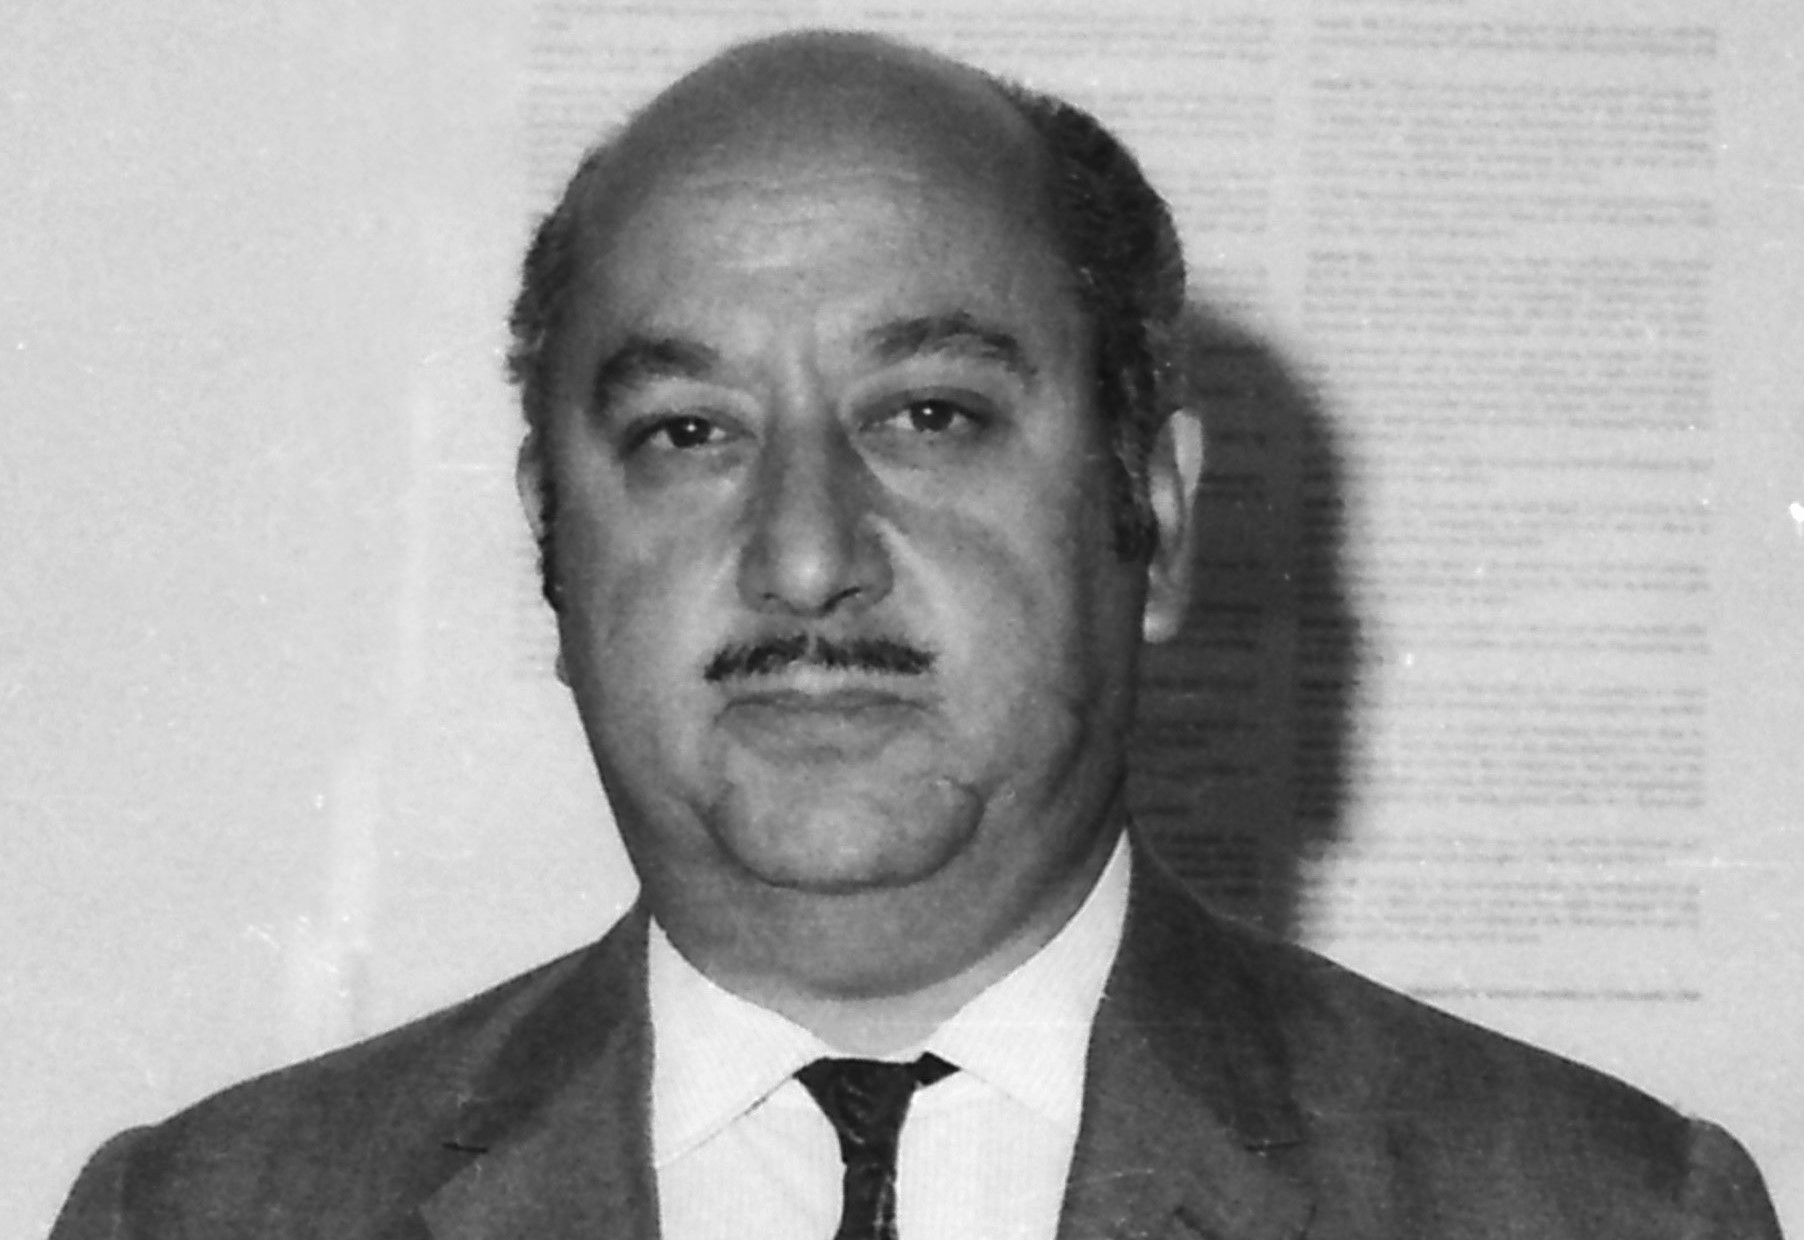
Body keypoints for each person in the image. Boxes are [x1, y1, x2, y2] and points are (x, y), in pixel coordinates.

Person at [51, 29, 1781, 1240]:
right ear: (550, 547)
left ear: (1153, 515)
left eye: (930, 416)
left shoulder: (1607, 1213)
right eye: (688, 433)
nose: (806, 558)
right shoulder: (199, 1218)